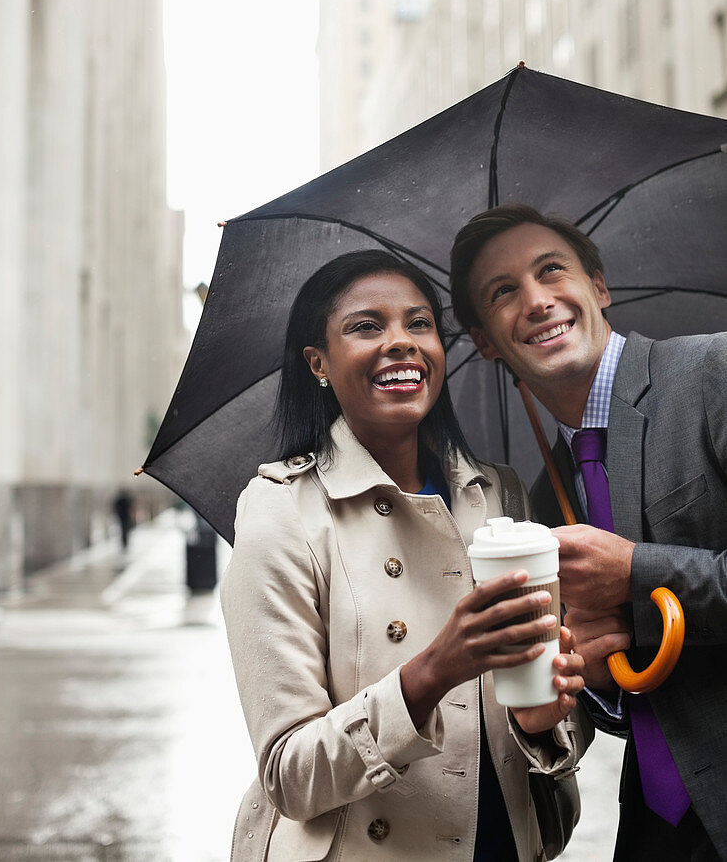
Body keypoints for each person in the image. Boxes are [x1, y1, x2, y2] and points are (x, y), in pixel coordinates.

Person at [221, 249, 589, 861]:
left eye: (420, 324)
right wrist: (432, 671)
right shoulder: (281, 509)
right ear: (319, 363)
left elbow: (553, 732)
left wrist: (542, 716)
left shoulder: (499, 492)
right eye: (367, 327)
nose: (402, 343)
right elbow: (288, 774)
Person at [449, 203, 727, 862]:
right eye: (502, 292)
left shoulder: (713, 374)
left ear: (597, 288)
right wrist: (598, 682)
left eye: (551, 272)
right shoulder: (543, 496)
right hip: (659, 825)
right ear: (486, 340)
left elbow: (640, 581)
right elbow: (621, 687)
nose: (537, 300)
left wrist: (639, 572)